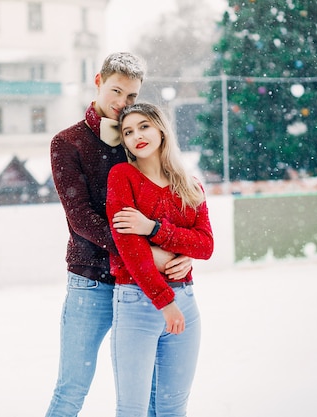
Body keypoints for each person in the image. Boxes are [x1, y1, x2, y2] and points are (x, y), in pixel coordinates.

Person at [46, 52, 193, 417]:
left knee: (152, 396)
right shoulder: (67, 143)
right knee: (72, 388)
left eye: (131, 97)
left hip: (140, 285)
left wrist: (177, 247)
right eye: (116, 91)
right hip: (92, 281)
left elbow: (166, 200)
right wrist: (145, 250)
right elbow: (81, 218)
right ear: (98, 81)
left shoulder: (140, 136)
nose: (122, 104)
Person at [106, 102, 214, 417]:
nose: (136, 135)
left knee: (172, 408)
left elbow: (205, 245)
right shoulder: (122, 176)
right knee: (132, 409)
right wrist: (165, 302)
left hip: (186, 302)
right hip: (137, 303)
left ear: (161, 129)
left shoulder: (189, 185)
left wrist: (154, 229)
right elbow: (130, 248)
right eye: (128, 132)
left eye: (144, 126)